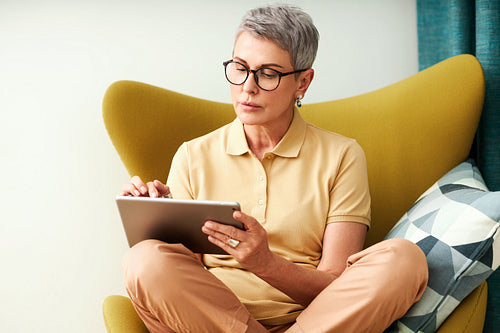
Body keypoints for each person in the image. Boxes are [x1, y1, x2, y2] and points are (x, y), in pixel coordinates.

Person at [120, 5, 428, 333]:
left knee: (404, 260)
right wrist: (153, 220)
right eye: (239, 68)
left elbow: (337, 286)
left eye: (268, 73)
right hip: (213, 324)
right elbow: (182, 281)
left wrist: (265, 264)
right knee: (143, 258)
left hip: (316, 324)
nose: (247, 87)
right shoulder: (193, 156)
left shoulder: (342, 155)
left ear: (303, 82)